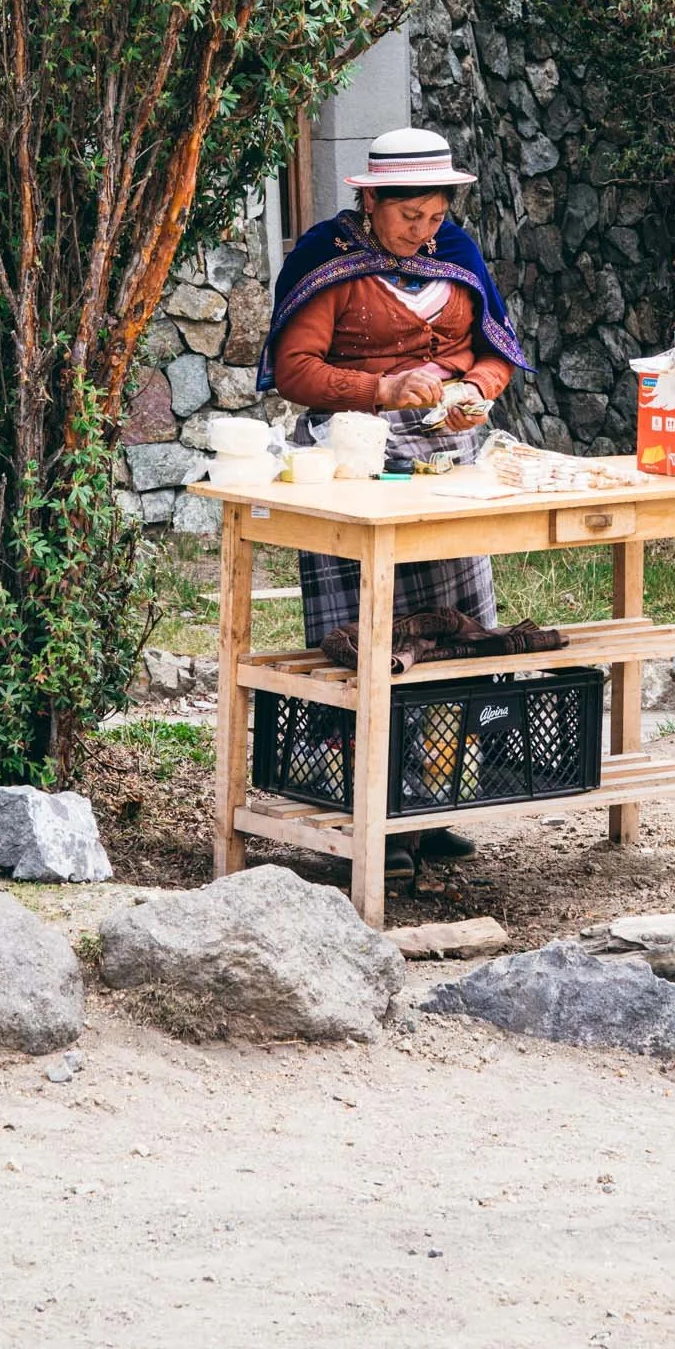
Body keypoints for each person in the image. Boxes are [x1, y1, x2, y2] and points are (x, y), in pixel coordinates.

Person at [258, 128, 529, 872]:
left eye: (434, 217)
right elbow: (294, 368)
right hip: (353, 461)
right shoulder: (327, 258)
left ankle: (430, 807)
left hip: (449, 456)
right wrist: (379, 389)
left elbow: (493, 345)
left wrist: (476, 389)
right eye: (409, 218)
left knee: (456, 631)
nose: (424, 232)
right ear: (371, 201)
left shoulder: (455, 252)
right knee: (364, 634)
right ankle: (364, 817)